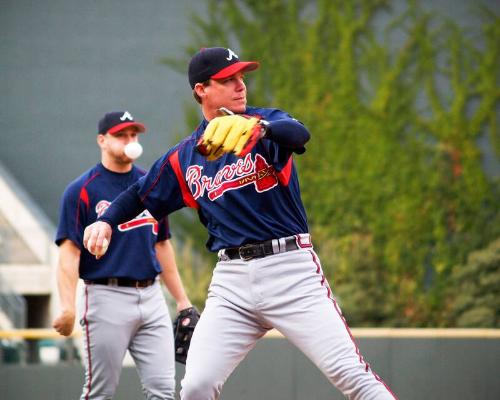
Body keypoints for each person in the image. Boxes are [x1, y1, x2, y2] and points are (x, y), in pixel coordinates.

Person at [83, 48, 398, 400]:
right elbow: (141, 194)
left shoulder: (266, 124)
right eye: (228, 79)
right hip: (232, 282)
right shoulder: (185, 156)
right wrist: (107, 221)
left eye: (241, 77)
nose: (240, 85)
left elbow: (299, 133)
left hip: (291, 270)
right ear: (201, 89)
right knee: (196, 387)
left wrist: (262, 129)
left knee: (350, 374)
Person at [53, 110, 193, 400]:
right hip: (105, 296)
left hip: (152, 296)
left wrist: (182, 301)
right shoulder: (82, 189)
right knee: (99, 392)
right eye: (121, 134)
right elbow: (69, 253)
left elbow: (162, 244)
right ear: (102, 140)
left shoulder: (150, 183)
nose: (130, 140)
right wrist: (67, 306)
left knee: (164, 391)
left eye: (133, 134)